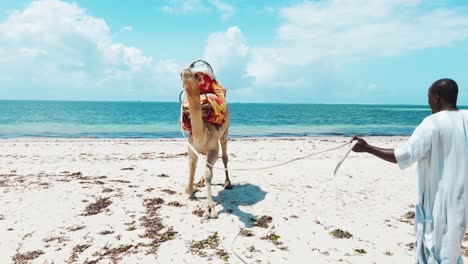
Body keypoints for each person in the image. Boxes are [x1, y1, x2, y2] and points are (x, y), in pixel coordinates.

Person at [352, 78, 468, 263]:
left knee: (434, 254)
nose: (428, 101)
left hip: (437, 206)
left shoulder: (431, 123)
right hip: (462, 204)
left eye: (429, 97)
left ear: (436, 97)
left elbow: (403, 156)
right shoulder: (466, 118)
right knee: (452, 254)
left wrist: (367, 148)